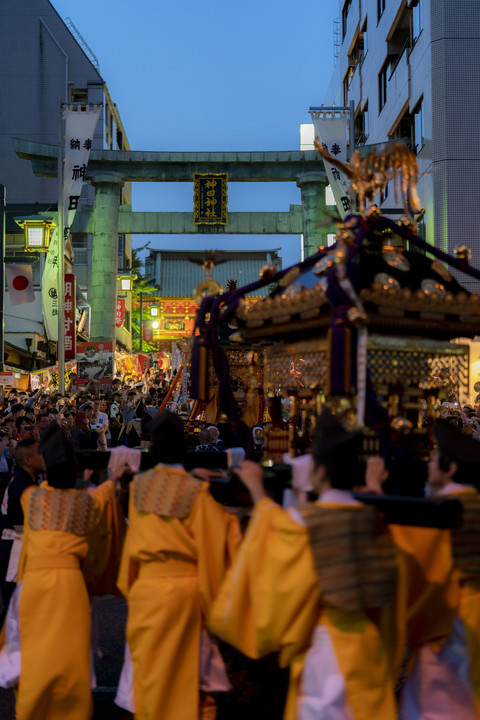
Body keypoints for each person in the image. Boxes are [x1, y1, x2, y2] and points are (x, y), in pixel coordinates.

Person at [209, 409, 398, 720]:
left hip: (327, 651)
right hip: (370, 647)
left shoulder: (307, 522)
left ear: (320, 473)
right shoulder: (373, 517)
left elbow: (278, 542)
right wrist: (375, 488)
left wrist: (257, 489)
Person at [116, 411, 241, 720]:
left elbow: (130, 550)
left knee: (151, 677)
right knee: (185, 680)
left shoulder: (138, 489)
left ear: (152, 451)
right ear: (186, 450)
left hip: (146, 592)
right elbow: (221, 544)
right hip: (185, 594)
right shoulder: (196, 492)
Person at [2, 423, 124, 720]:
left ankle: (31, 711)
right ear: (74, 469)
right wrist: (114, 477)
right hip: (70, 589)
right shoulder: (87, 502)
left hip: (33, 586)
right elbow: (104, 497)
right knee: (70, 661)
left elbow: (52, 496)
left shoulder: (31, 498)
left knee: (35, 658)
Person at [385, 419, 480, 719]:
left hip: (449, 618)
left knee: (439, 698)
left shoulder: (443, 509)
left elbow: (410, 555)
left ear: (450, 469)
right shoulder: (474, 502)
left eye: (437, 459)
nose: (430, 463)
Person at [0, 439, 44, 624]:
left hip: (14, 545)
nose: (44, 457)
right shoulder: (23, 486)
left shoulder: (23, 480)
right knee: (16, 607)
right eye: (39, 454)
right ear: (27, 460)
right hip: (16, 548)